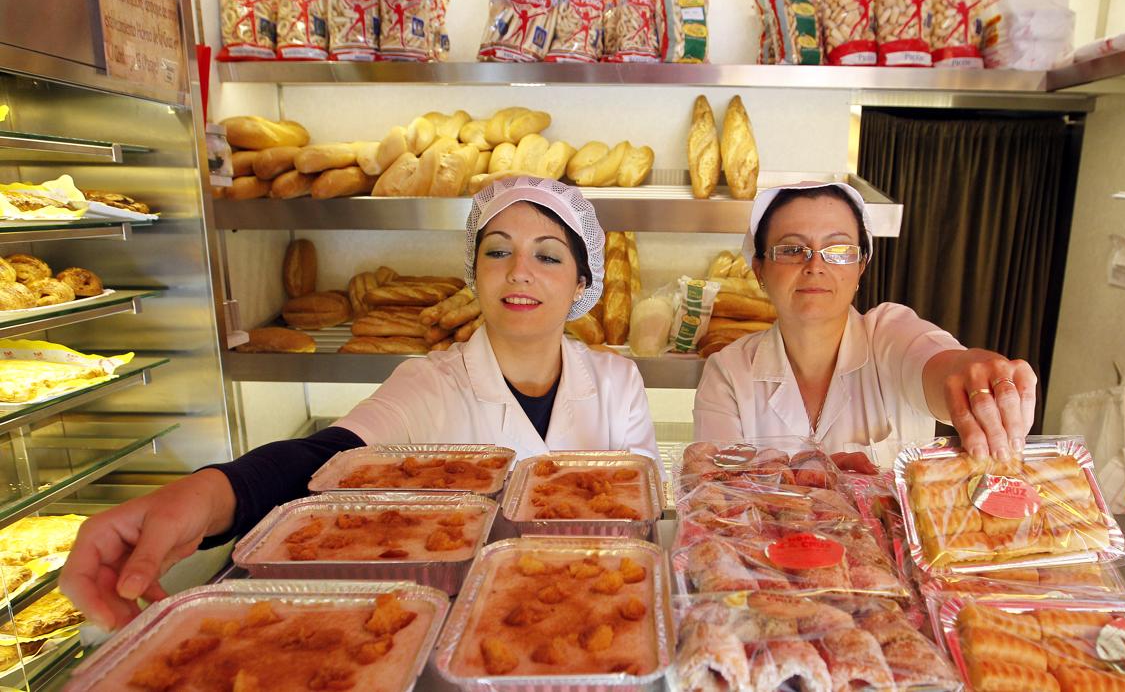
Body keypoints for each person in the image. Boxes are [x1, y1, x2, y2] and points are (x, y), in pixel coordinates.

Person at [61, 177, 659, 630]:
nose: (520, 272)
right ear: (473, 272)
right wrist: (208, 494)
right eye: (498, 252)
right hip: (452, 627)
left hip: (596, 617)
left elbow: (642, 528)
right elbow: (329, 457)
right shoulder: (429, 382)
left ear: (582, 283)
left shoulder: (617, 381)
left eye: (548, 256)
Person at [693, 181, 1038, 468]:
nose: (815, 265)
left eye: (838, 250)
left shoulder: (890, 333)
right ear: (759, 271)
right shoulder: (730, 372)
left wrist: (973, 374)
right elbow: (717, 496)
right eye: (791, 250)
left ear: (861, 267)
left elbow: (940, 364)